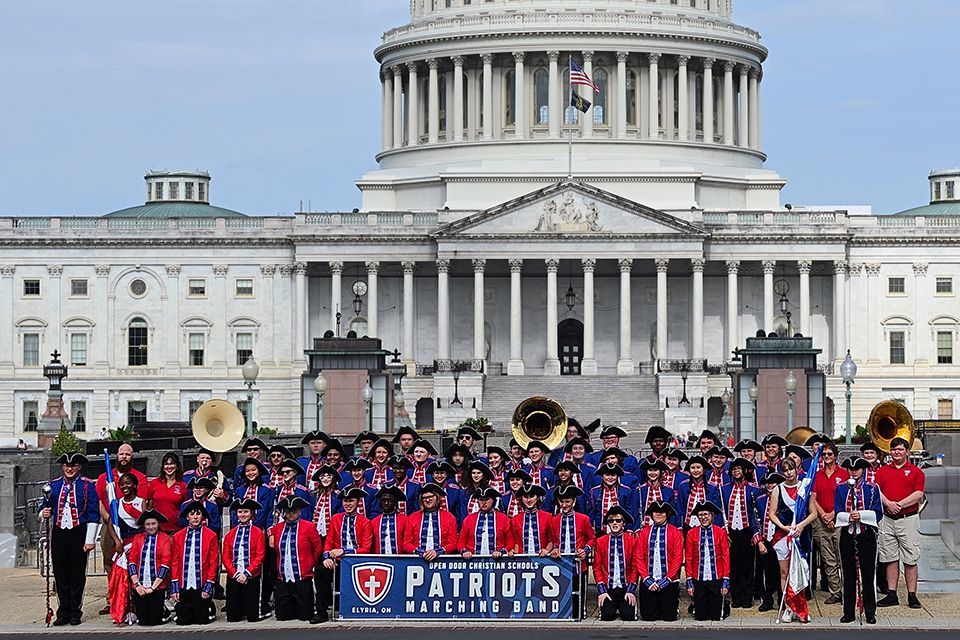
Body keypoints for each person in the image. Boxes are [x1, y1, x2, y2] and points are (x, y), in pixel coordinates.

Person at [40, 452, 99, 626]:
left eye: (73, 465)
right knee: (60, 574)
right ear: (62, 467)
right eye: (66, 465)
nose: (69, 468)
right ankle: (62, 612)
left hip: (79, 532)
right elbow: (44, 507)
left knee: (77, 575)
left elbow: (93, 514)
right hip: (59, 532)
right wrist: (43, 513)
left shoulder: (88, 486)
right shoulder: (53, 485)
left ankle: (75, 611)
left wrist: (90, 540)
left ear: (79, 467)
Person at [875, 436, 926, 609]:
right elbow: (876, 490)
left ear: (907, 452)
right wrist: (888, 503)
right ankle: (892, 594)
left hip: (908, 519)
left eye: (900, 449)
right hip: (888, 519)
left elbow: (919, 494)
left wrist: (899, 504)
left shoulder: (916, 471)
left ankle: (912, 595)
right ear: (890, 452)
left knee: (911, 558)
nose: (897, 452)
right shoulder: (882, 471)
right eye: (894, 449)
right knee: (890, 558)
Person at [767, 457, 817, 623]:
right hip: (783, 535)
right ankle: (789, 607)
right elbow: (772, 514)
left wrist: (801, 526)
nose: (788, 473)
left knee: (799, 571)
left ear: (797, 469)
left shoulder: (805, 488)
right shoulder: (777, 490)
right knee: (785, 573)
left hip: (800, 535)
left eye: (791, 469)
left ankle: (801, 608)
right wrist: (783, 527)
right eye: (785, 470)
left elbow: (813, 513)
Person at [835, 457, 883, 624]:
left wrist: (861, 515)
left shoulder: (872, 488)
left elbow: (878, 512)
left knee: (868, 574)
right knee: (848, 574)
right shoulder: (840, 488)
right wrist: (848, 516)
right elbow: (837, 510)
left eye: (857, 468)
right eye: (850, 468)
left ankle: (870, 611)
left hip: (866, 534)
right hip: (848, 534)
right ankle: (848, 611)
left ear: (863, 470)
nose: (853, 471)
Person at [96, 443, 148, 584]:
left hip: (132, 527)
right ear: (117, 456)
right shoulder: (104, 477)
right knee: (110, 560)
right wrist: (109, 518)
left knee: (134, 561)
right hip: (110, 524)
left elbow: (141, 502)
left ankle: (133, 596)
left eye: (127, 454)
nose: (124, 457)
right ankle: (113, 597)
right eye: (121, 454)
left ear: (132, 457)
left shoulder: (140, 478)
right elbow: (99, 500)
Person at [271, 496, 323, 623]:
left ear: (299, 511)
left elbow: (317, 549)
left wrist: (310, 564)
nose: (291, 514)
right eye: (288, 511)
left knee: (305, 615)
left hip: (302, 576)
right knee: (282, 616)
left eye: (293, 511)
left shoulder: (309, 527)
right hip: (283, 577)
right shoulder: (277, 528)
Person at [810, 441, 848, 605]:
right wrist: (824, 515)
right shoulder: (817, 475)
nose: (826, 457)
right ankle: (835, 591)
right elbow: (813, 498)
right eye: (824, 454)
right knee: (828, 559)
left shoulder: (844, 473)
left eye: (829, 454)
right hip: (821, 520)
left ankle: (848, 590)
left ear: (836, 455)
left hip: (839, 520)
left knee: (843, 557)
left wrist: (833, 514)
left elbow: (846, 498)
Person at [171, 500, 219, 625]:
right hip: (184, 582)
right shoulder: (178, 536)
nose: (195, 517)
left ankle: (209, 608)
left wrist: (209, 586)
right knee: (183, 621)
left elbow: (214, 563)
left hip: (201, 583)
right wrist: (175, 587)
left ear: (202, 516)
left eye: (198, 514)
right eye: (192, 514)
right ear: (187, 517)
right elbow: (175, 561)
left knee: (201, 621)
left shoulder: (211, 535)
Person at [719, 458, 759, 608]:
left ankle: (747, 597)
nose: (736, 471)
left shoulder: (753, 489)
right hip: (732, 531)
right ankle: (736, 597)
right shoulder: (725, 489)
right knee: (734, 565)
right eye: (734, 469)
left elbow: (755, 514)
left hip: (747, 530)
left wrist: (756, 533)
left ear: (744, 471)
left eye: (739, 469)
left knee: (748, 565)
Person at [635, 501, 683, 622]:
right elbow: (639, 556)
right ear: (651, 514)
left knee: (669, 618)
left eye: (662, 512)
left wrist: (668, 579)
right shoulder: (644, 532)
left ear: (667, 514)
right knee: (648, 617)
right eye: (656, 511)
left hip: (669, 581)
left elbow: (678, 558)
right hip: (649, 582)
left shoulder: (675, 532)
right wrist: (646, 578)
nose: (659, 514)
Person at [222, 499, 267, 623]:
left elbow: (260, 556)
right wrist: (235, 574)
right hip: (234, 576)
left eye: (246, 511)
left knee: (253, 617)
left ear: (252, 514)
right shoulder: (230, 534)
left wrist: (247, 573)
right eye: (240, 511)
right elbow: (226, 557)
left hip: (251, 576)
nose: (243, 514)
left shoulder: (258, 533)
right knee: (233, 618)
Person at [684, 501, 730, 621]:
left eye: (706, 514)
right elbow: (688, 558)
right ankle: (696, 605)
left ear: (712, 515)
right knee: (700, 617)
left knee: (716, 617)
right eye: (700, 515)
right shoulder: (691, 533)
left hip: (716, 578)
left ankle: (724, 604)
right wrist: (689, 582)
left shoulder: (721, 532)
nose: (703, 517)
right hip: (699, 578)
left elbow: (726, 556)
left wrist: (725, 580)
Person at [127, 510, 172, 626]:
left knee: (154, 621)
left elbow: (165, 564)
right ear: (144, 525)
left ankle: (164, 611)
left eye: (153, 524)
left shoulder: (165, 538)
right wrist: (137, 584)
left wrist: (152, 588)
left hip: (157, 586)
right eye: (148, 524)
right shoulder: (137, 538)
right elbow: (132, 561)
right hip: (140, 586)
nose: (151, 527)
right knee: (143, 621)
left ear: (158, 524)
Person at [593, 506, 638, 621]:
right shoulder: (600, 541)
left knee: (628, 617)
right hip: (609, 588)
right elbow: (597, 568)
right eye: (611, 520)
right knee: (607, 616)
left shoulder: (632, 541)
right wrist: (602, 591)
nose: (614, 523)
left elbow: (634, 567)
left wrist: (631, 590)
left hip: (625, 587)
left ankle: (628, 605)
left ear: (623, 523)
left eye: (618, 520)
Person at [405, 483, 459, 561]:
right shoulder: (413, 517)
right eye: (424, 498)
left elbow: (453, 544)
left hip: (442, 561)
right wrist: (421, 552)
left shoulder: (449, 517)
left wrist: (437, 552)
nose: (427, 500)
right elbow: (406, 544)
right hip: (417, 561)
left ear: (437, 497)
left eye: (430, 497)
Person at [754, 471, 784, 612]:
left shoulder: (784, 499)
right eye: (769, 483)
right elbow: (754, 520)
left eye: (774, 483)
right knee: (767, 572)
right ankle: (767, 600)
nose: (771, 485)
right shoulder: (759, 499)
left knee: (781, 571)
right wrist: (759, 541)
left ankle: (782, 599)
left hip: (781, 539)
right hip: (765, 539)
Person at [459, 487, 513, 557]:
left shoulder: (504, 519)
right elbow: (461, 542)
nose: (483, 502)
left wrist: (502, 551)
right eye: (481, 500)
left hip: (498, 562)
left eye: (487, 499)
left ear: (493, 500)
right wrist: (465, 551)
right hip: (473, 563)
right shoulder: (469, 519)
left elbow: (510, 542)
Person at [675, 455, 723, 530]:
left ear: (704, 470)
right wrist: (679, 526)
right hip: (687, 524)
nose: (695, 470)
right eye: (693, 468)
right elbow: (680, 508)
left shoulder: (712, 487)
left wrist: (718, 527)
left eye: (698, 467)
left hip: (708, 524)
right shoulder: (683, 486)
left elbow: (716, 510)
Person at [146, 453, 187, 535]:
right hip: (157, 528)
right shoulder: (155, 483)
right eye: (166, 464)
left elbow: (185, 507)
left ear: (177, 466)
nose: (169, 467)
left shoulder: (183, 485)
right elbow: (149, 505)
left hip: (176, 529)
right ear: (163, 467)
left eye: (172, 463)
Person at [550, 485, 594, 560]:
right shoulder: (554, 520)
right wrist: (554, 549)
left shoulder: (583, 519)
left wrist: (585, 550)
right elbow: (553, 541)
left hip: (579, 562)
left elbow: (592, 538)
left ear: (574, 501)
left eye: (567, 502)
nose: (564, 505)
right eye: (561, 501)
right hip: (559, 563)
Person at [590, 462, 636, 533]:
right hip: (600, 531)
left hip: (622, 531)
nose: (610, 478)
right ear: (602, 476)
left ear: (617, 476)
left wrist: (629, 529)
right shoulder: (594, 492)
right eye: (607, 475)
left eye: (613, 475)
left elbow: (629, 511)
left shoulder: (626, 491)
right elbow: (591, 513)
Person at [232, 458, 275, 531]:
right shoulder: (239, 490)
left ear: (259, 471)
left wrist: (252, 526)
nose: (250, 473)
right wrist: (238, 524)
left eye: (253, 470)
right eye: (247, 471)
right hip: (239, 527)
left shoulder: (266, 490)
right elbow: (234, 510)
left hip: (258, 528)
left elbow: (263, 512)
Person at [511, 483, 555, 555]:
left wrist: (547, 550)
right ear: (521, 499)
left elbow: (552, 540)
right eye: (525, 497)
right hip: (522, 561)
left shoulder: (548, 517)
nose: (529, 500)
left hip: (543, 559)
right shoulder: (515, 520)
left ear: (537, 498)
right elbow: (516, 542)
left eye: (532, 496)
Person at [637, 458, 674, 529]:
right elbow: (635, 511)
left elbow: (671, 513)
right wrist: (636, 529)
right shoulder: (639, 490)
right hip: (644, 527)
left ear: (660, 472)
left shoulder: (668, 491)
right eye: (650, 470)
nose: (652, 473)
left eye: (655, 470)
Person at [371, 486, 408, 554]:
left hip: (401, 561)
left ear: (395, 503)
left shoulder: (405, 520)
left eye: (389, 500)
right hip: (379, 561)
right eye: (383, 500)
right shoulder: (374, 522)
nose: (386, 503)